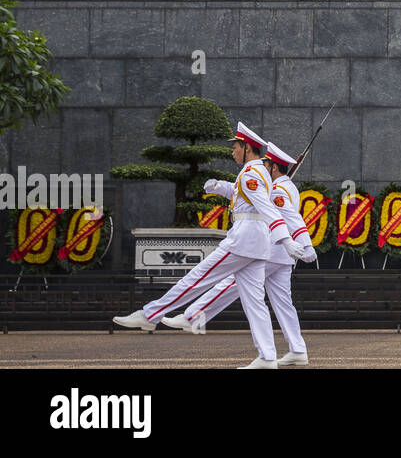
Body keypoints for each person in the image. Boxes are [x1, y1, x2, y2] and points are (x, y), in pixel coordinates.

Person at [111, 123, 306, 369]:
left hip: (243, 240)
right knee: (255, 301)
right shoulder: (258, 173)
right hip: (256, 243)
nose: (233, 151)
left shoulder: (251, 174)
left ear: (247, 147)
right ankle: (267, 356)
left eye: (236, 146)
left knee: (195, 279)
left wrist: (286, 239)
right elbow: (245, 197)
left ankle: (151, 314)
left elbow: (267, 209)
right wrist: (219, 186)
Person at [160, 141, 316, 367]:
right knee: (283, 303)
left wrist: (305, 244)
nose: (262, 167)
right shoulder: (285, 187)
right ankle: (298, 349)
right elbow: (242, 191)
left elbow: (287, 217)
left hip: (270, 250)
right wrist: (220, 186)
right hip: (282, 255)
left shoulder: (279, 189)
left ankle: (192, 316)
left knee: (230, 284)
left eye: (266, 165)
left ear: (273, 167)